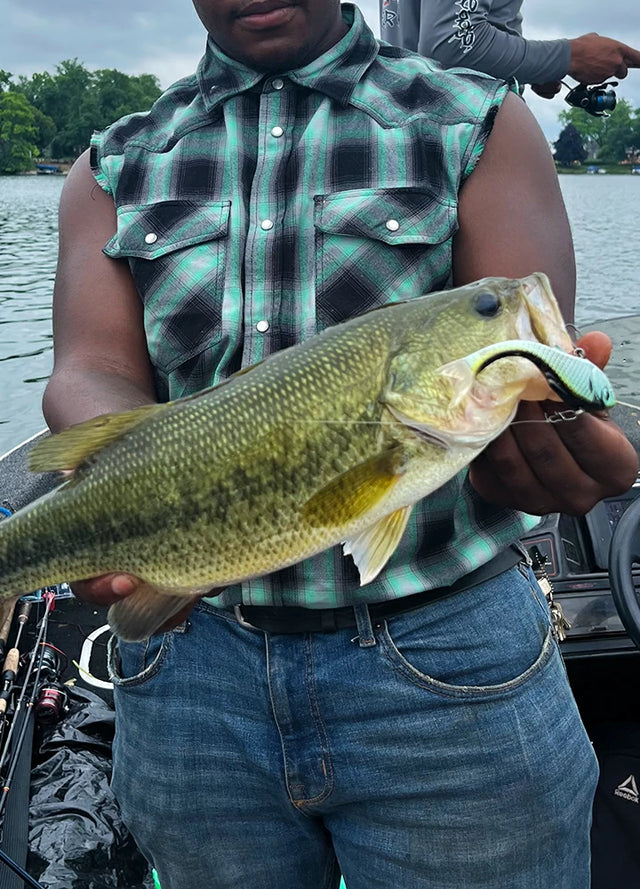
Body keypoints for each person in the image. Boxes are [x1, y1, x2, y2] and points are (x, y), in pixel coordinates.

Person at [42, 2, 638, 887]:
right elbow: (86, 367)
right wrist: (145, 486)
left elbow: (526, 345)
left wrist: (548, 422)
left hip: (449, 658)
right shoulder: (113, 163)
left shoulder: (478, 120)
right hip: (189, 668)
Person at [379, 0, 640, 99]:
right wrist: (571, 57)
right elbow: (454, 43)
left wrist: (535, 67)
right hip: (468, 146)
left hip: (405, 138)